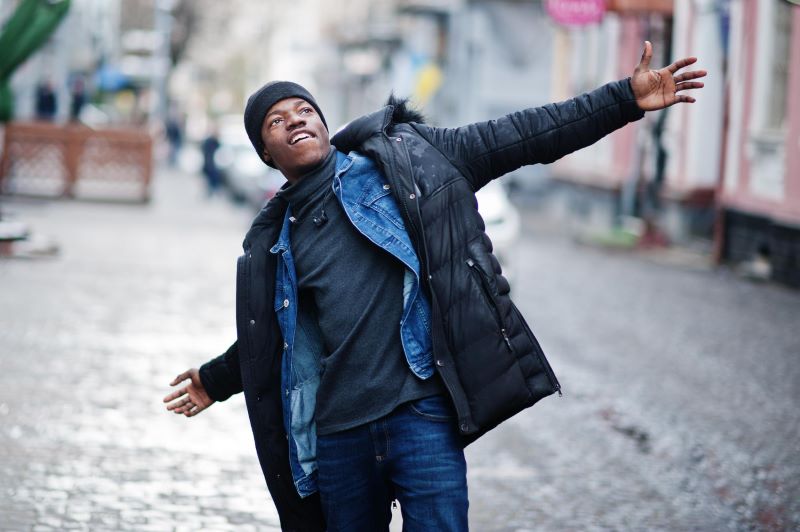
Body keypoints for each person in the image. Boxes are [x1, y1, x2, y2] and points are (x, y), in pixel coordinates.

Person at [163, 42, 705, 531]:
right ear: (266, 153)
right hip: (339, 433)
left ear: (325, 125)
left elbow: (524, 135)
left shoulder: (409, 159)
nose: (296, 121)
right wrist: (216, 378)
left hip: (420, 412)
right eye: (277, 122)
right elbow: (276, 336)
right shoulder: (275, 241)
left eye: (305, 110)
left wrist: (623, 100)